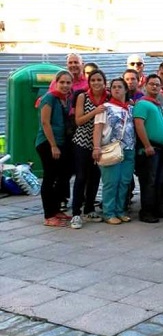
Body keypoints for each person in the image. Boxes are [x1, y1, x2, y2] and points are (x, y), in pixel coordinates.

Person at [93, 78, 136, 225]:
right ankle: (108, 212)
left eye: (120, 87)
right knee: (111, 182)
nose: (116, 89)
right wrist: (96, 147)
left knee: (124, 182)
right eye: (114, 87)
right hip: (110, 149)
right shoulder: (105, 107)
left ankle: (120, 210)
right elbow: (98, 128)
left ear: (125, 90)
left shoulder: (131, 108)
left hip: (129, 148)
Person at [70, 70, 107, 228]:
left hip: (100, 142)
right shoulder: (82, 96)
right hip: (82, 142)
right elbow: (79, 120)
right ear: (89, 82)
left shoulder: (108, 97)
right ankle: (76, 213)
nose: (96, 83)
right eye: (93, 80)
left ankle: (89, 208)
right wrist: (95, 111)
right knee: (81, 177)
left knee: (95, 177)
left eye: (99, 80)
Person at [36, 71, 73, 227]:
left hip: (61, 143)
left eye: (68, 82)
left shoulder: (64, 100)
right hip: (48, 143)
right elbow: (45, 123)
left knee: (62, 177)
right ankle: (49, 215)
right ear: (56, 83)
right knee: (50, 178)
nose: (65, 85)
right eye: (62, 82)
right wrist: (53, 145)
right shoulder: (49, 98)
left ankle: (56, 209)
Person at [134, 74, 163, 224]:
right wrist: (147, 145)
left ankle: (156, 208)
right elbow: (139, 124)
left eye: (157, 84)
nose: (155, 87)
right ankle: (146, 211)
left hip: (161, 148)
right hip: (150, 148)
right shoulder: (142, 104)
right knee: (149, 181)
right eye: (152, 84)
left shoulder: (157, 105)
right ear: (145, 86)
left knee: (159, 180)